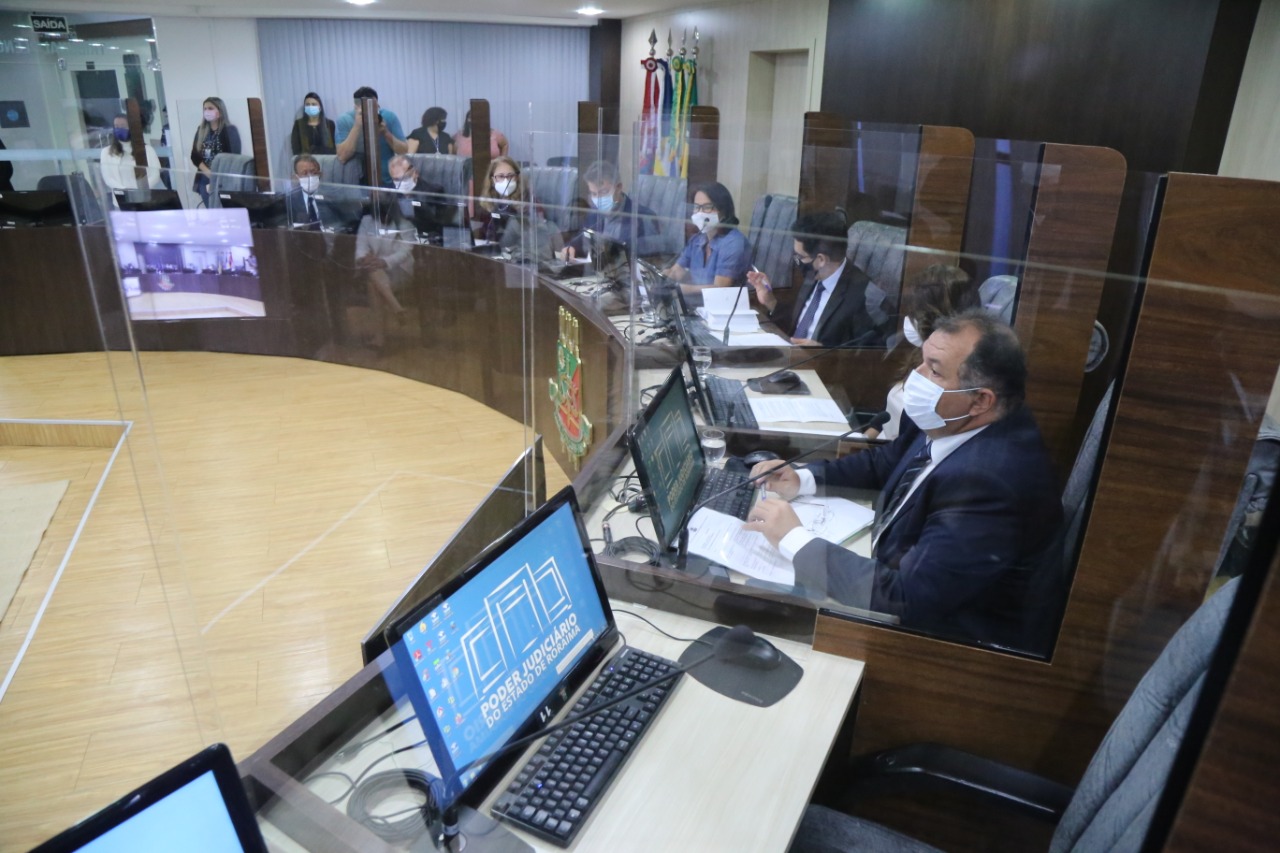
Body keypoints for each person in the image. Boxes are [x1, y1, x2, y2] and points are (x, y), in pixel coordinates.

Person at [746, 310, 1062, 648]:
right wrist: (802, 479)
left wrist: (794, 540)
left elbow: (905, 601)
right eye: (922, 361)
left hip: (945, 647)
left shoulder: (990, 484)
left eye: (935, 370)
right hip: (889, 568)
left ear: (981, 400)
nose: (916, 378)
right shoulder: (948, 415)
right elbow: (886, 461)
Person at [868, 264, 981, 440]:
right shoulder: (918, 354)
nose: (908, 319)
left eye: (915, 313)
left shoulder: (952, 377)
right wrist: (861, 440)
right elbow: (884, 418)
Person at [747, 211, 882, 347]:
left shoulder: (863, 296)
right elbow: (796, 325)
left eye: (800, 257)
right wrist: (770, 301)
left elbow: (868, 355)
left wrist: (822, 353)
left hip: (820, 366)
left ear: (821, 259)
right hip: (792, 357)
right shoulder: (814, 275)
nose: (797, 261)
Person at [561, 160, 661, 260]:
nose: (598, 200)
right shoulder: (594, 214)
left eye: (604, 192)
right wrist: (570, 248)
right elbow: (582, 239)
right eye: (594, 194)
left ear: (618, 188)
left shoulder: (643, 218)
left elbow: (651, 260)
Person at [355, 184, 415, 349]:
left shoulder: (404, 223)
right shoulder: (366, 221)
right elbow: (360, 246)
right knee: (374, 276)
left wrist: (384, 262)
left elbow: (406, 250)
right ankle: (397, 308)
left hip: (400, 270)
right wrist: (364, 258)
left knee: (372, 283)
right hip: (373, 268)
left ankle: (379, 339)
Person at [663, 181, 750, 291]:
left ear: (723, 210)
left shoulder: (734, 243)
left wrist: (679, 290)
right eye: (696, 207)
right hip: (697, 303)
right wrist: (659, 277)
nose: (700, 213)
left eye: (707, 207)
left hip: (722, 305)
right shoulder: (697, 240)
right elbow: (676, 272)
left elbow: (719, 289)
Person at [335, 86, 407, 187]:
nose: (371, 112)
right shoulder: (345, 120)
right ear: (356, 107)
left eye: (375, 107)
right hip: (358, 182)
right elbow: (342, 157)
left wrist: (386, 133)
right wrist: (357, 126)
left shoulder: (388, 117)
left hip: (387, 181)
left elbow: (403, 151)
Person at [284, 154, 358, 232]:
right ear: (296, 178)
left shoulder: (332, 195)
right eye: (305, 173)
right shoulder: (291, 200)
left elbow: (350, 223)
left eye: (313, 172)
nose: (310, 176)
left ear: (320, 174)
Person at [189, 96, 240, 207]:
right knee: (212, 215)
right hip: (205, 178)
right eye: (205, 109)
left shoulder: (230, 130)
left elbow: (234, 157)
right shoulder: (201, 130)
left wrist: (217, 176)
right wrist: (208, 173)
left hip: (224, 179)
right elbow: (194, 156)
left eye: (210, 108)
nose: (207, 111)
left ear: (220, 111)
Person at [99, 114, 164, 199]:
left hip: (145, 198)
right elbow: (108, 178)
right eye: (116, 126)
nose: (119, 129)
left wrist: (139, 191)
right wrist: (126, 192)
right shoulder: (106, 152)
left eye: (123, 126)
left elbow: (155, 175)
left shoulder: (148, 150)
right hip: (121, 200)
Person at [387, 154, 449, 241]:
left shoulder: (434, 192)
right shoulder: (388, 192)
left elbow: (442, 228)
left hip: (424, 241)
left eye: (405, 178)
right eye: (396, 180)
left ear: (415, 173)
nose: (401, 183)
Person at [290, 92, 336, 156]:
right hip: (306, 163)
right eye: (307, 105)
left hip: (327, 161)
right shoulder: (298, 125)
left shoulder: (330, 124)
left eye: (314, 104)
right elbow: (296, 150)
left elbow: (334, 148)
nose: (310, 107)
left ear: (320, 107)